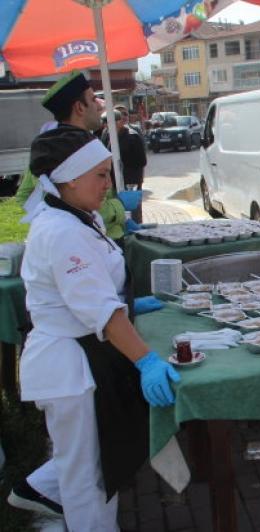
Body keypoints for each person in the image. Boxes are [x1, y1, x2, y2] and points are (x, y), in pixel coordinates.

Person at [6, 128, 177, 530]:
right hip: (69, 367)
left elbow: (100, 289)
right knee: (87, 479)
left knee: (91, 460)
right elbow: (99, 310)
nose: (109, 185)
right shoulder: (63, 232)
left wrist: (131, 303)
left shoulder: (80, 217)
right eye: (100, 175)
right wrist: (147, 360)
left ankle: (35, 489)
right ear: (69, 178)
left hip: (85, 357)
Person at [14, 71, 138, 239]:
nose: (99, 106)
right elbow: (80, 202)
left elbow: (24, 196)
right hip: (90, 240)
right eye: (93, 99)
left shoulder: (60, 143)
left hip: (104, 237)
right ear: (80, 107)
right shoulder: (60, 151)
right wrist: (118, 207)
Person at [101, 109, 147, 191]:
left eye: (108, 122)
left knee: (130, 203)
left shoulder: (132, 136)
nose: (106, 126)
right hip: (113, 181)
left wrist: (120, 162)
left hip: (130, 181)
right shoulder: (106, 134)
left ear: (119, 121)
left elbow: (142, 161)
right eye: (104, 123)